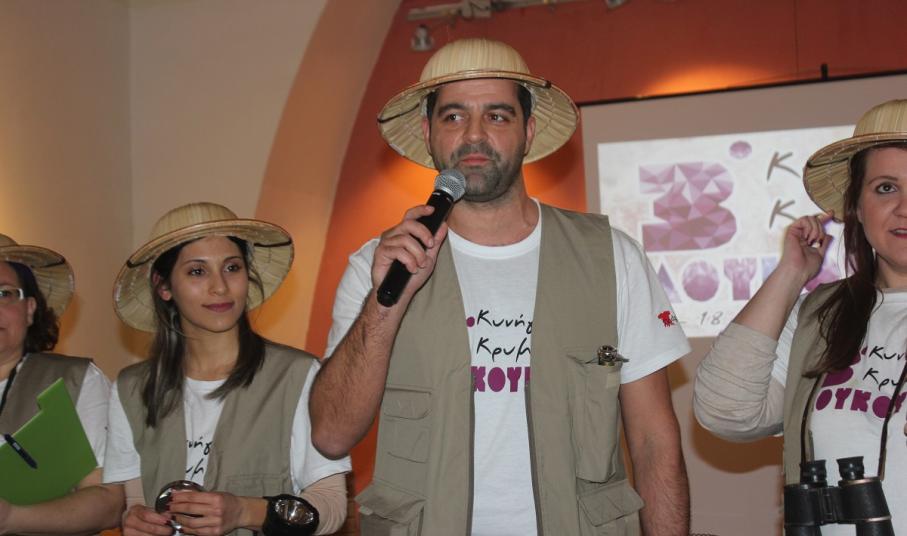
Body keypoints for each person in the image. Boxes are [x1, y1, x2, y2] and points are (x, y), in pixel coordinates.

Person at [310, 38, 690, 535]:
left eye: (496, 116)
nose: (473, 135)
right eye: (453, 116)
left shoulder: (611, 258)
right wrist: (384, 307)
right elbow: (331, 435)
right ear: (427, 132)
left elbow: (654, 441)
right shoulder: (376, 266)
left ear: (528, 131)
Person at [694, 99, 907, 535]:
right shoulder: (823, 315)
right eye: (886, 187)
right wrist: (791, 274)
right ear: (855, 206)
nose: (905, 206)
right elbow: (726, 412)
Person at [102, 202, 350, 536]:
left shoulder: (298, 375)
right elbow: (135, 501)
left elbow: (332, 505)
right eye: (197, 271)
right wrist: (135, 519)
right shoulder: (131, 390)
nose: (220, 287)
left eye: (232, 267)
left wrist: (247, 511)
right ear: (164, 287)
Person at [0, 234, 115, 535]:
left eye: (4, 294)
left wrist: (11, 518)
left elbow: (109, 502)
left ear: (29, 309)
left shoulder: (74, 381)